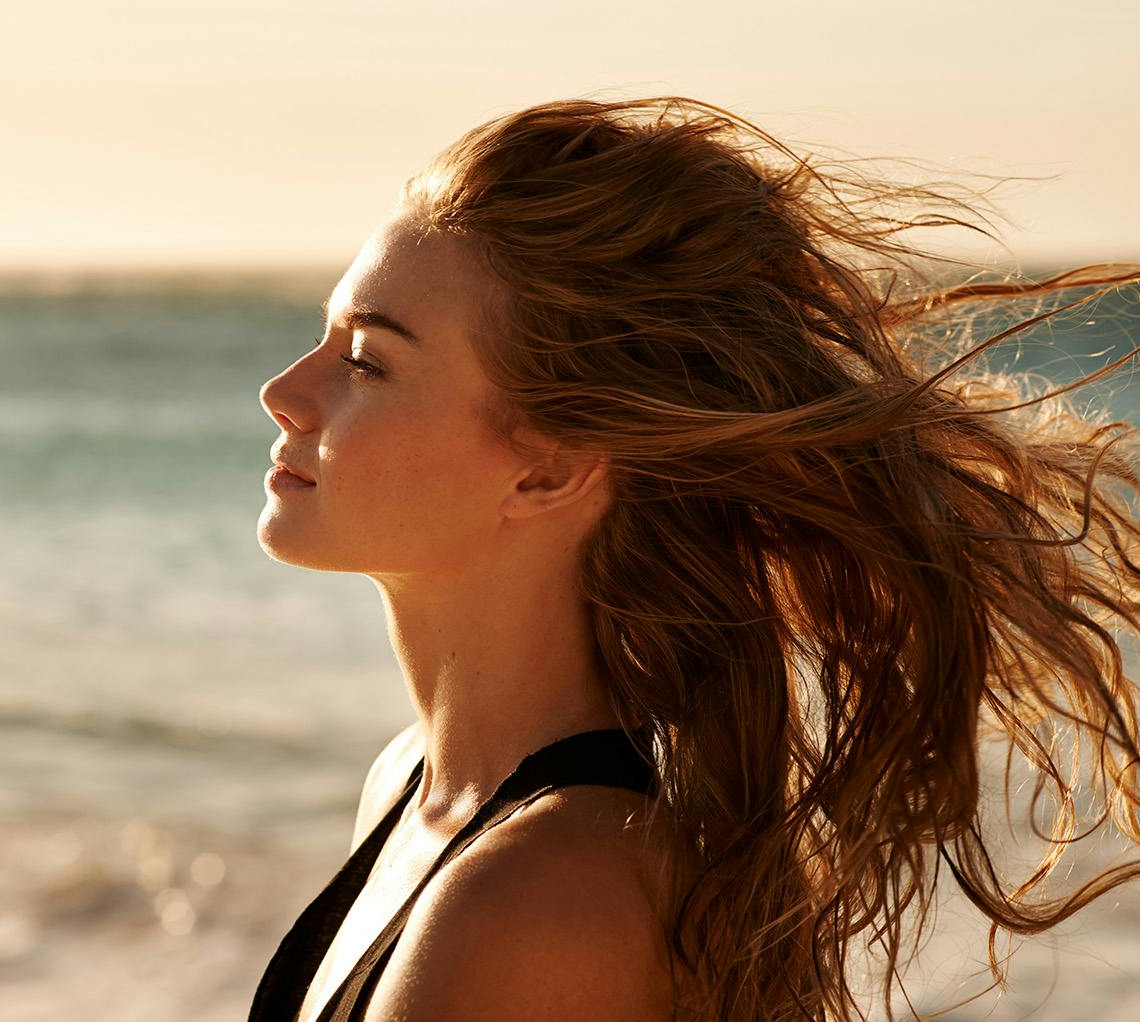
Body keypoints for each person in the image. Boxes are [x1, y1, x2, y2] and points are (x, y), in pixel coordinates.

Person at [248, 95, 1140, 1021]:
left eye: (367, 362)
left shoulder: (545, 902)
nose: (283, 392)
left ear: (550, 465)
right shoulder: (415, 786)